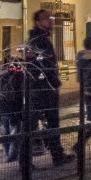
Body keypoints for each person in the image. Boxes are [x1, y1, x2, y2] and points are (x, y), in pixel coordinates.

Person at [27, 9, 74, 166]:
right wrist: (53, 82)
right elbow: (42, 65)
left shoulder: (40, 39)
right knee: (45, 123)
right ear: (38, 22)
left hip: (42, 87)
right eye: (46, 18)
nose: (51, 21)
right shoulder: (39, 41)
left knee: (45, 123)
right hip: (43, 89)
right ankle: (54, 156)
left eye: (50, 17)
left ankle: (55, 155)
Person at [0, 61, 25, 162]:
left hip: (2, 110)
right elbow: (22, 93)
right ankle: (12, 156)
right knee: (13, 134)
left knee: (4, 134)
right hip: (14, 110)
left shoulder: (1, 77)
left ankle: (7, 154)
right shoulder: (19, 77)